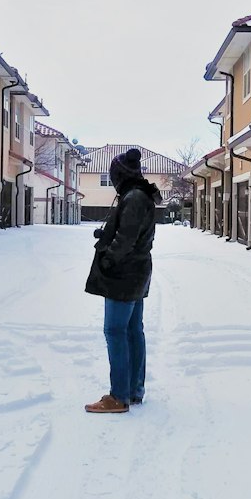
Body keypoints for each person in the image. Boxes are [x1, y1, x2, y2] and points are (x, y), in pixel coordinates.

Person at [84, 148, 160, 414]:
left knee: (115, 331)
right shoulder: (137, 195)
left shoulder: (135, 198)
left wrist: (108, 260)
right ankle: (133, 390)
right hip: (136, 271)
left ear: (120, 175)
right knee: (132, 330)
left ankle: (119, 396)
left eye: (113, 175)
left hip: (125, 274)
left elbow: (126, 239)